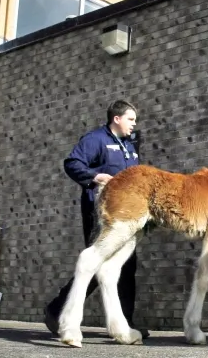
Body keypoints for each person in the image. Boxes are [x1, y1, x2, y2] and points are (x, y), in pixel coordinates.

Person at [44, 99, 149, 339]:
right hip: (100, 210)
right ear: (116, 119)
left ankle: (125, 323)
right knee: (97, 260)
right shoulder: (96, 140)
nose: (134, 124)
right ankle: (56, 310)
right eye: (131, 119)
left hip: (128, 213)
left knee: (126, 265)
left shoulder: (129, 145)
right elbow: (72, 163)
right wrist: (95, 177)